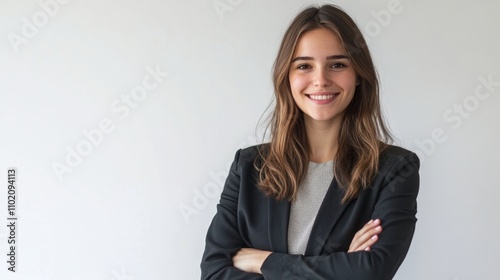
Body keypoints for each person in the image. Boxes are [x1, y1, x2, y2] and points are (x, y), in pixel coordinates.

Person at [201, 4, 419, 280]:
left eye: (337, 65)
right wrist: (337, 266)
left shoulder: (394, 170)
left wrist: (263, 261)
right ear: (286, 78)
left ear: (359, 76)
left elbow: (371, 271)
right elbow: (214, 273)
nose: (321, 80)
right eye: (304, 66)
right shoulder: (248, 167)